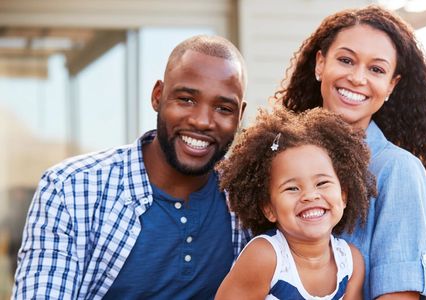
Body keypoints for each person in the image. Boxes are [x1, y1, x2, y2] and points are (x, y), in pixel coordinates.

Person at [12, 35, 249, 299]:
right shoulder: (70, 190)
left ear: (239, 116)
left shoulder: (250, 198)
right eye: (186, 99)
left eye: (223, 108)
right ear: (158, 96)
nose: (203, 121)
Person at [275, 5, 426, 299]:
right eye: (346, 60)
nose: (358, 78)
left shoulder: (397, 170)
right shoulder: (279, 156)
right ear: (320, 63)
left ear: (391, 85)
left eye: (376, 69)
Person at [214, 108, 376, 299]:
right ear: (269, 208)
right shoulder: (266, 257)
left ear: (343, 196)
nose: (309, 196)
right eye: (292, 188)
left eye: (322, 183)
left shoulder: (350, 262)